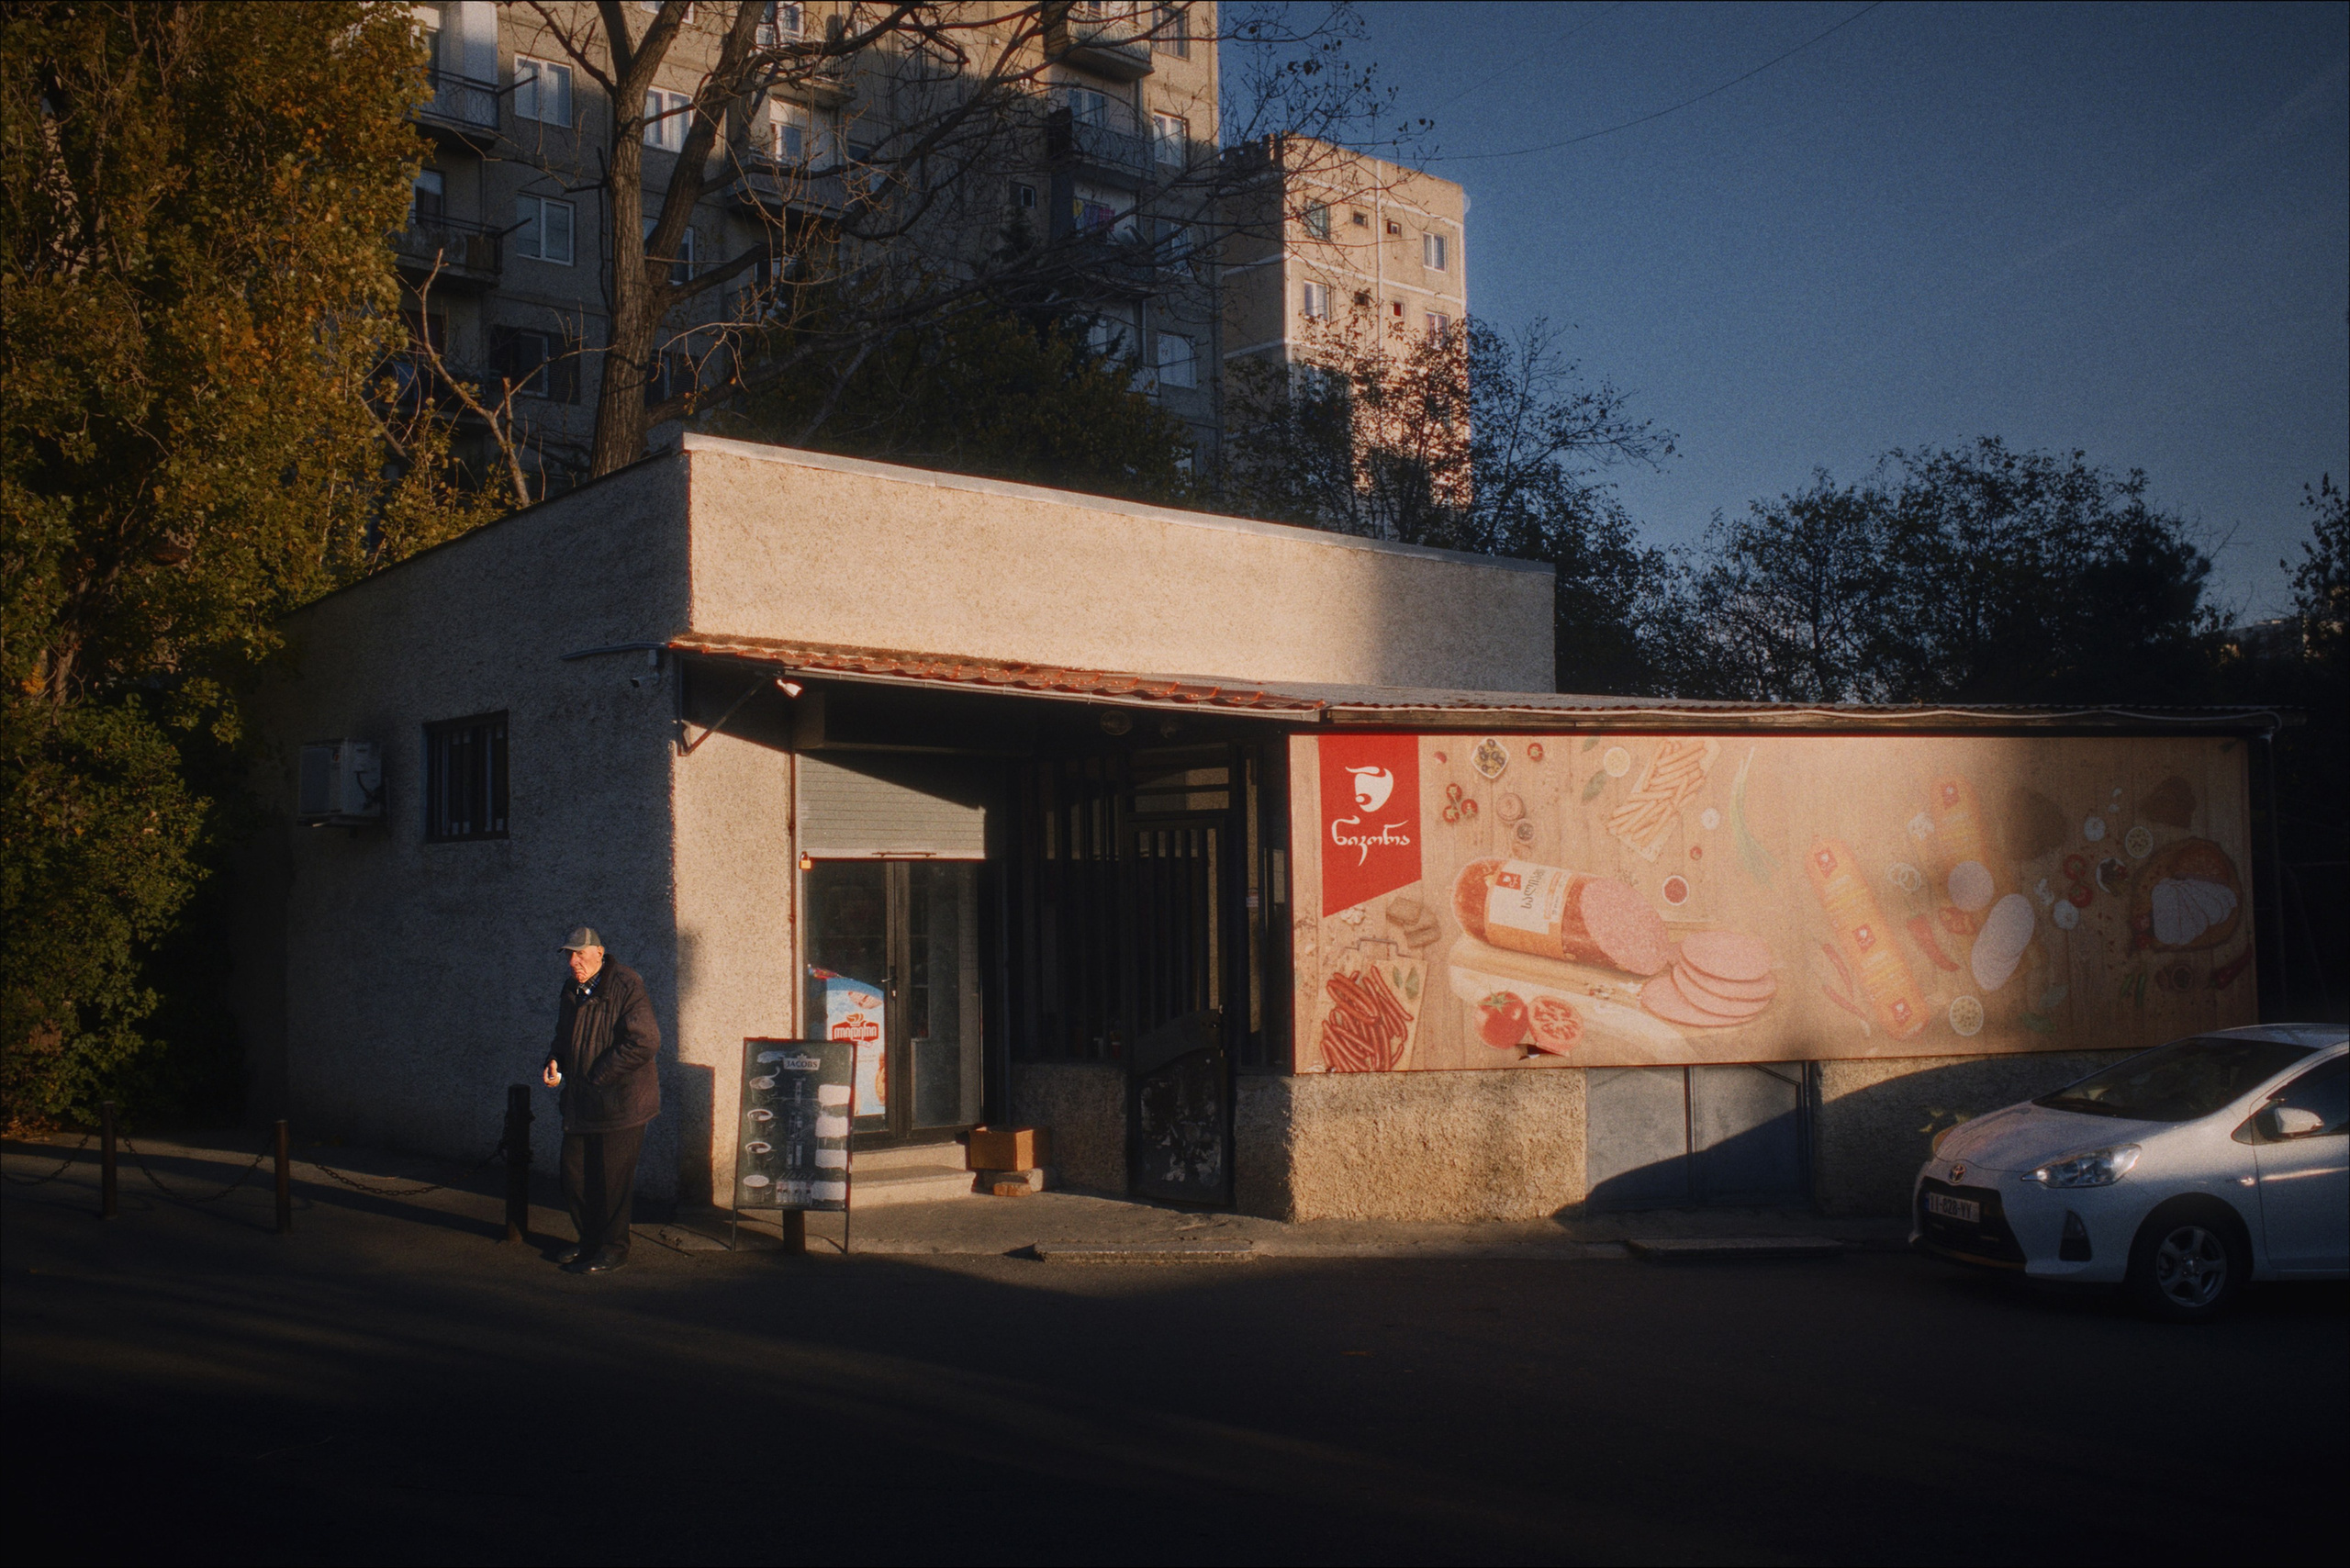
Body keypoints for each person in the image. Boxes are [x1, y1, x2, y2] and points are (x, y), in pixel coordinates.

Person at [542, 927, 661, 1273]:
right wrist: (555, 1061)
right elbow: (563, 1036)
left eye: (580, 953)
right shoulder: (571, 989)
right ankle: (589, 1241)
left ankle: (613, 1248)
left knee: (611, 1183)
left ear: (599, 952)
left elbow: (645, 1041)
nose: (573, 961)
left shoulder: (625, 984)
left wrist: (598, 1075)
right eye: (569, 954)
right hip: (582, 1103)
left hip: (622, 1103)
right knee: (574, 1176)